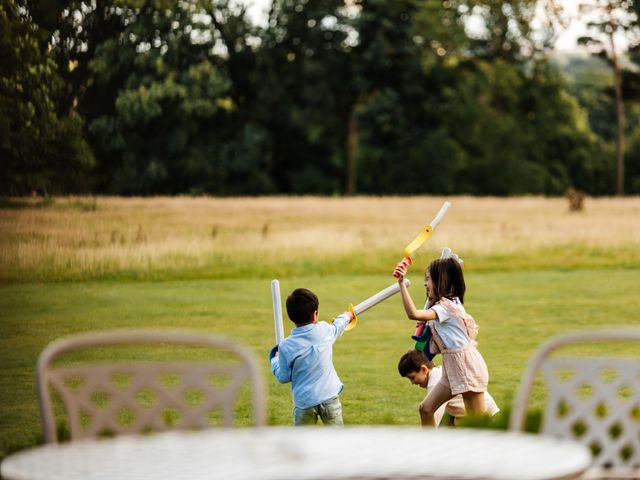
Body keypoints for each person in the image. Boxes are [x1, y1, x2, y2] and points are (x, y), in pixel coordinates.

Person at [393, 251, 489, 427]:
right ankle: (430, 450)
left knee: (477, 425)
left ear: (441, 282)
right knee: (426, 409)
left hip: (466, 367)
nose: (425, 283)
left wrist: (401, 284)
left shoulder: (445, 308)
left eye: (428, 279)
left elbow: (413, 314)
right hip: (451, 368)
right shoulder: (443, 305)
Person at [270, 287, 355, 426]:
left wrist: (274, 360)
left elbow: (283, 377)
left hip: (305, 403)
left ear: (291, 316)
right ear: (315, 314)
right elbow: (338, 326)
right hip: (329, 396)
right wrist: (347, 316)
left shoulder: (286, 346)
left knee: (302, 441)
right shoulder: (324, 330)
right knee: (338, 439)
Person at [398, 349, 499, 427]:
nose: (412, 383)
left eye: (412, 377)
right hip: (478, 413)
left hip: (485, 415)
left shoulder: (436, 382)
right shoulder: (441, 371)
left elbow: (432, 415)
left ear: (424, 369)